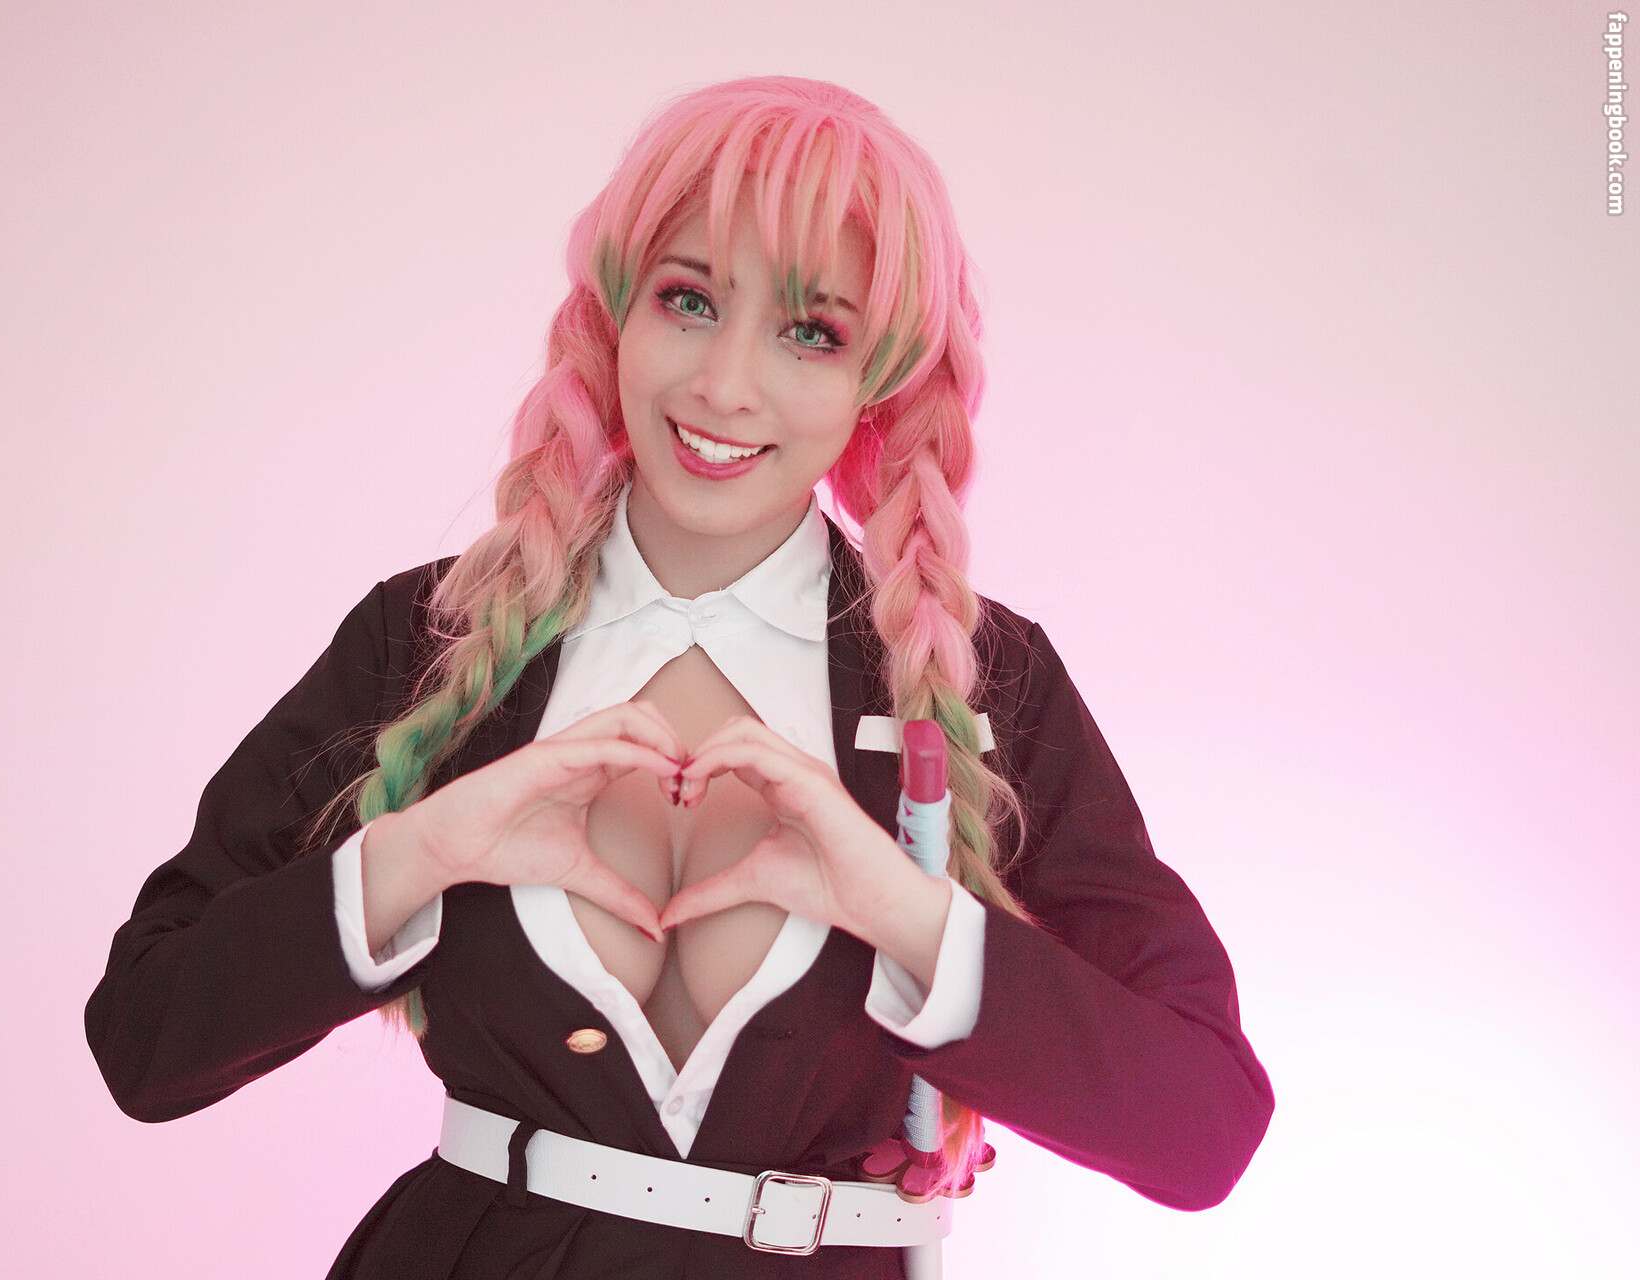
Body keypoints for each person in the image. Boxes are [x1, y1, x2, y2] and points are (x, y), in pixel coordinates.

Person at [85, 77, 1273, 1279]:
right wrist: (423, 851)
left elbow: (1204, 1124)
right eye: (689, 300)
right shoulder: (430, 635)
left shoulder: (980, 684)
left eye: (813, 331)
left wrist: (905, 914)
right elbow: (144, 1033)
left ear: (882, 374)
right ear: (617, 312)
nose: (724, 386)